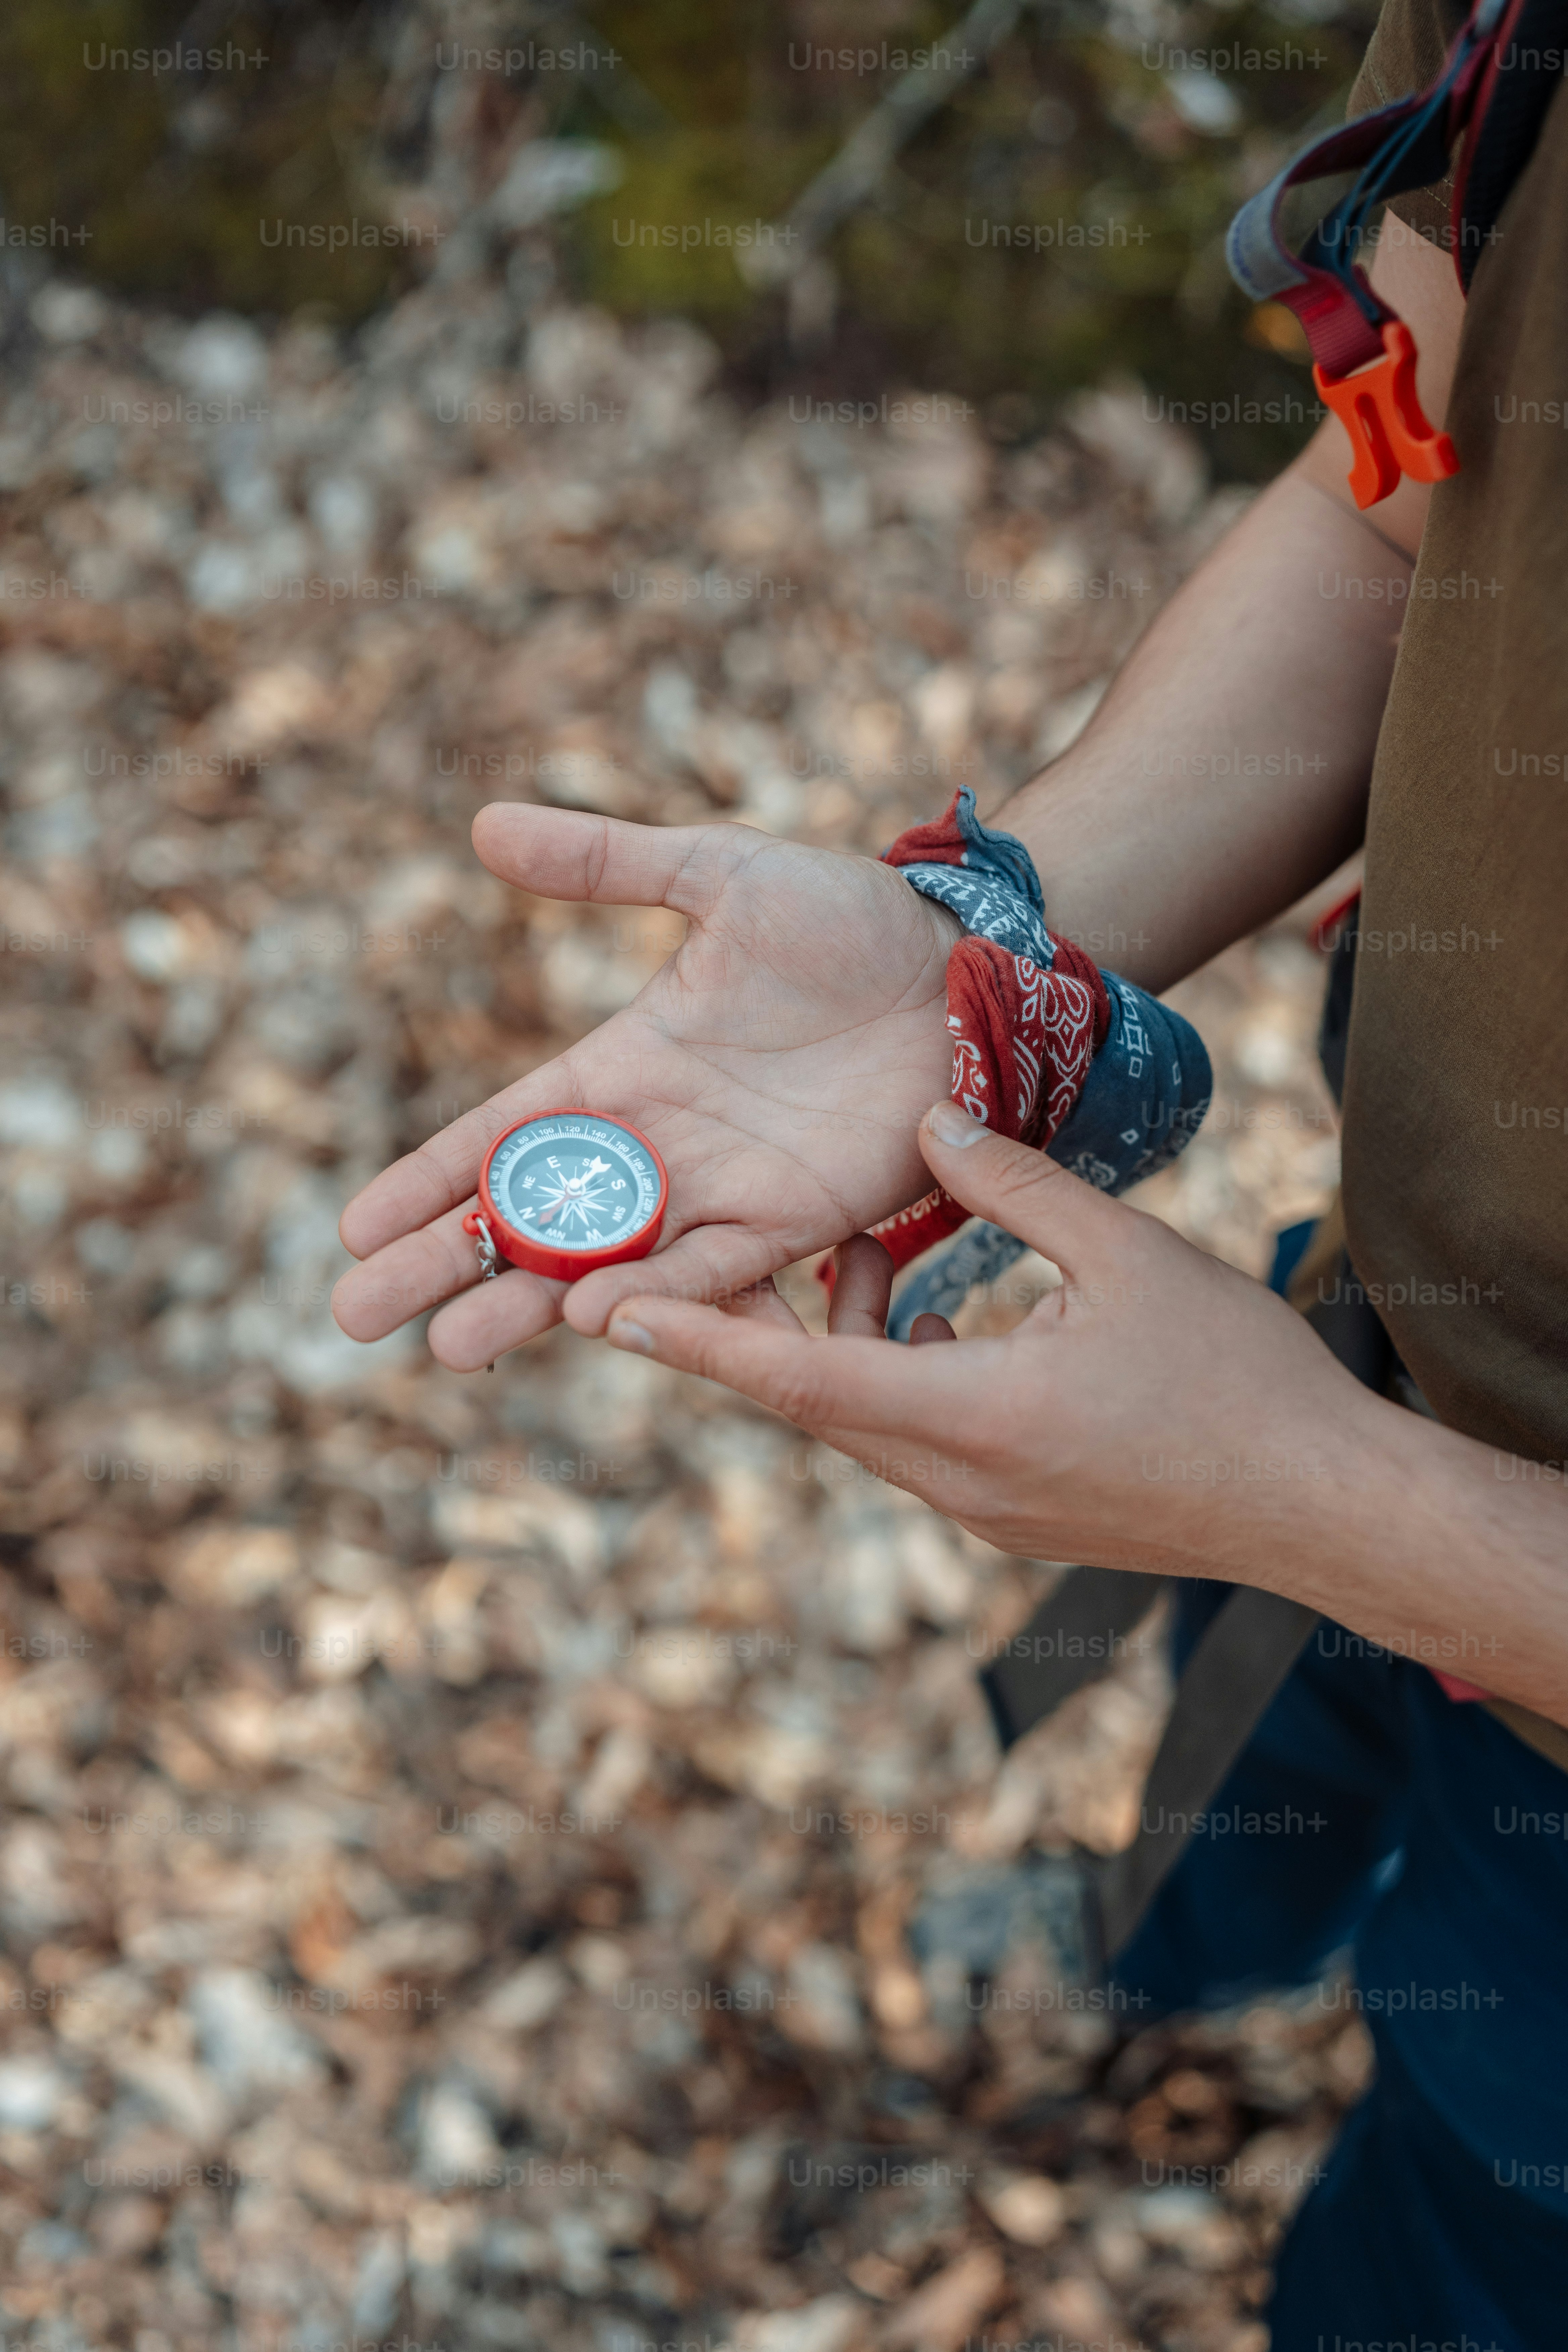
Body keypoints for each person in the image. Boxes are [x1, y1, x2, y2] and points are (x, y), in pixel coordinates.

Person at [332, 0, 1568, 2332]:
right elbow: (1412, 496)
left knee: (1464, 2219)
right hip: (1390, 1320)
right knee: (1256, 1722)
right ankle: (1172, 1947)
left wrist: (1325, 1503)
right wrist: (990, 968)